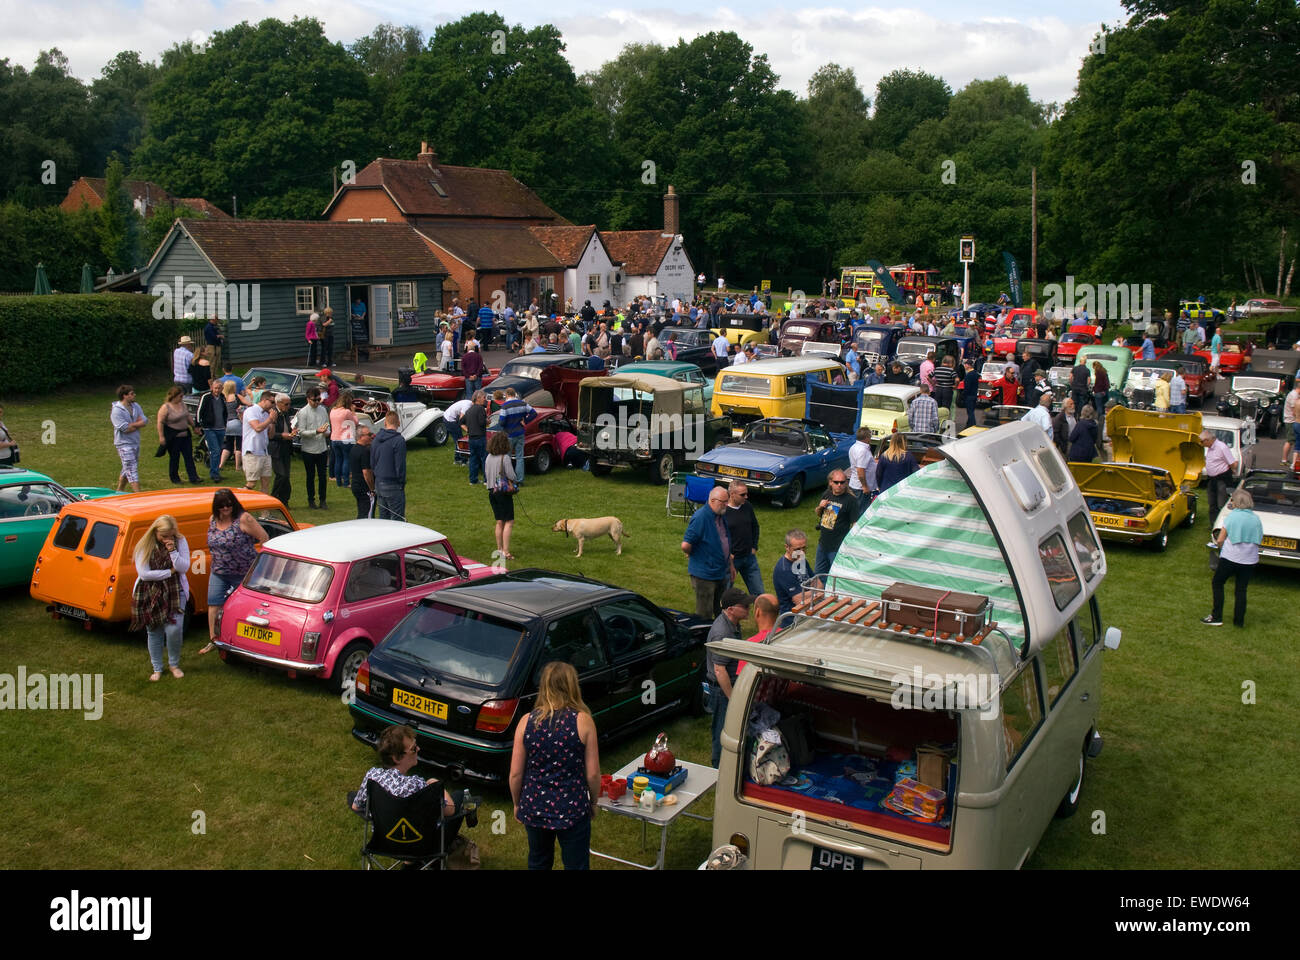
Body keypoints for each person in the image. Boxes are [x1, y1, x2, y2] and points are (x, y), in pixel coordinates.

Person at [509, 662, 600, 870]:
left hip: (534, 805)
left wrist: (517, 803)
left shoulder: (526, 722)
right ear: (572, 686)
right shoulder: (583, 721)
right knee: (576, 865)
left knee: (538, 862)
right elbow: (593, 774)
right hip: (573, 808)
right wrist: (593, 802)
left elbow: (515, 774)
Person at [351, 725, 461, 846]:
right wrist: (437, 785)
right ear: (396, 758)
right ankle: (416, 861)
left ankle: (409, 862)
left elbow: (356, 807)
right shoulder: (417, 785)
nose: (418, 749)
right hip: (418, 845)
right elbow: (450, 810)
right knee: (459, 797)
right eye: (413, 749)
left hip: (383, 843)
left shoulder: (372, 777)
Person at [199, 488, 269, 654]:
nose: (226, 508)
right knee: (214, 604)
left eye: (229, 505)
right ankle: (214, 639)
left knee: (244, 608)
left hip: (243, 572)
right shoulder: (212, 520)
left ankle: (246, 641)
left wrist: (260, 564)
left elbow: (264, 538)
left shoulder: (244, 519)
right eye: (222, 506)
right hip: (219, 571)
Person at [128, 514, 191, 682]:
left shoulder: (180, 541)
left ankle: (174, 664)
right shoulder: (145, 544)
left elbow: (184, 567)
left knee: (174, 628)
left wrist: (173, 552)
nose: (167, 539)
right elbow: (144, 574)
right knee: (154, 630)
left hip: (176, 590)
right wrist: (169, 572)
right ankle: (157, 668)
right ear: (155, 532)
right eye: (163, 536)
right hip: (150, 591)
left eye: (170, 535)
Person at [706, 588, 753, 767]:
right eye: (745, 606)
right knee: (722, 729)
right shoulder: (723, 633)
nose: (749, 608)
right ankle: (718, 767)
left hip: (724, 686)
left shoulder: (733, 623)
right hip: (721, 690)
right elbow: (720, 670)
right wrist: (733, 698)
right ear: (731, 609)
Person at [1204, 489, 1263, 627]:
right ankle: (1239, 622)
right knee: (1241, 589)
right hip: (1249, 560)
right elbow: (1259, 538)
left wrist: (1221, 547)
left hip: (1231, 558)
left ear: (1236, 502)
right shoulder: (1256, 518)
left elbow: (1220, 539)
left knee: (1218, 583)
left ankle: (1216, 617)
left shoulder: (1231, 517)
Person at [682, 486, 732, 620]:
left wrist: (731, 565)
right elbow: (686, 544)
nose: (727, 504)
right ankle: (702, 638)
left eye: (727, 501)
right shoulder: (701, 517)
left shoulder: (720, 515)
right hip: (705, 574)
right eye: (724, 502)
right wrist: (695, 555)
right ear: (713, 500)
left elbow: (724, 540)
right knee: (704, 613)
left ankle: (719, 634)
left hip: (720, 571)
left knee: (720, 608)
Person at [813, 470, 858, 577]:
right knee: (818, 575)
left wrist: (850, 545)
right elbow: (820, 514)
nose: (839, 485)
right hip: (823, 544)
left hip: (837, 548)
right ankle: (821, 594)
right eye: (836, 482)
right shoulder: (826, 494)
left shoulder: (851, 500)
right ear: (830, 482)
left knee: (835, 577)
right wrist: (820, 507)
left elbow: (855, 524)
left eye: (842, 482)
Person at [157, 385, 201, 484]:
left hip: (185, 435)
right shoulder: (166, 407)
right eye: (180, 396)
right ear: (174, 396)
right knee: (174, 458)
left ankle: (193, 477)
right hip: (173, 437)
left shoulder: (182, 404)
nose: (182, 398)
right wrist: (161, 436)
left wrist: (194, 427)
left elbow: (188, 416)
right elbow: (160, 422)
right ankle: (175, 478)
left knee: (188, 457)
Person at [725, 480, 763, 594]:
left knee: (759, 593)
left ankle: (761, 611)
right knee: (725, 594)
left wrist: (754, 547)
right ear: (732, 494)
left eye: (747, 494)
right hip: (732, 560)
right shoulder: (723, 511)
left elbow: (755, 526)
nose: (746, 497)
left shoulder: (747, 506)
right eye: (742, 495)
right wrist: (728, 554)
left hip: (749, 558)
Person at [111, 385, 149, 492]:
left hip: (135, 442)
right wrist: (138, 424)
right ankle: (138, 495)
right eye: (132, 394)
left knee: (127, 468)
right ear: (125, 396)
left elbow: (145, 420)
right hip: (123, 444)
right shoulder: (116, 411)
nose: (134, 395)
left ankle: (119, 491)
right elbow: (124, 428)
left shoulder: (136, 406)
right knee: (132, 469)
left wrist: (133, 425)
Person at [297, 386, 330, 509]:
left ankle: (323, 500)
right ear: (308, 399)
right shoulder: (303, 412)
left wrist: (326, 432)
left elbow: (328, 428)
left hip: (322, 448)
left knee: (322, 476)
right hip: (308, 450)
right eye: (314, 400)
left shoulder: (323, 410)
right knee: (310, 476)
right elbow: (301, 432)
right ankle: (311, 500)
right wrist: (316, 431)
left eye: (318, 399)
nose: (316, 402)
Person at [371, 411, 407, 522]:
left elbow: (372, 462)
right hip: (393, 483)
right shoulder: (399, 440)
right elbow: (400, 465)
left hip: (379, 482)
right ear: (399, 423)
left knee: (383, 518)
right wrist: (401, 482)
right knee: (397, 519)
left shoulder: (376, 439)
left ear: (385, 423)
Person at [497, 388, 536, 485]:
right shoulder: (522, 403)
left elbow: (501, 422)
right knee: (519, 457)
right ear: (514, 394)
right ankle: (520, 480)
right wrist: (525, 421)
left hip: (509, 434)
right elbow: (534, 413)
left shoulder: (505, 406)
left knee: (507, 457)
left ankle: (508, 479)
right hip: (520, 433)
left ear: (506, 395)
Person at [267, 394, 298, 506]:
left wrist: (293, 431)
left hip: (286, 447)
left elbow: (290, 425)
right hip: (276, 448)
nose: (289, 406)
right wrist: (282, 435)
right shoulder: (272, 414)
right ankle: (274, 498)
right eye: (286, 404)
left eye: (289, 404)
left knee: (286, 476)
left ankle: (284, 500)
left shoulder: (286, 413)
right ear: (278, 403)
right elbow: (269, 434)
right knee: (281, 474)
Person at [241, 392, 276, 492]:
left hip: (264, 452)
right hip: (252, 451)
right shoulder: (251, 411)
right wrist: (270, 419)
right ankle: (240, 500)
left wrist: (273, 422)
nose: (273, 405)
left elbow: (271, 435)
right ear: (264, 400)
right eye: (272, 402)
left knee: (266, 483)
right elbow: (257, 428)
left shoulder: (266, 414)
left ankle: (264, 507)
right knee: (251, 483)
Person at [1200, 429, 1237, 519]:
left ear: (1208, 440)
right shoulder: (1210, 448)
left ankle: (1223, 524)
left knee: (1222, 503)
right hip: (1212, 479)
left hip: (1222, 480)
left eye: (1202, 441)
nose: (1201, 443)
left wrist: (1231, 471)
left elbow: (1233, 463)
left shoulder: (1222, 447)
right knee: (1212, 503)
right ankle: (1213, 524)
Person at [771, 529, 809, 616]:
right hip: (792, 619)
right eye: (797, 549)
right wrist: (817, 592)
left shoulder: (801, 559)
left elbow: (819, 584)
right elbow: (799, 600)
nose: (801, 552)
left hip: (807, 611)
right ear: (787, 547)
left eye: (804, 548)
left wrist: (810, 593)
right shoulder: (784, 570)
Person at [327, 389, 357, 489]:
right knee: (346, 460)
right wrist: (353, 412)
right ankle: (346, 482)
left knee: (338, 460)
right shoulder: (347, 412)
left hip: (334, 438)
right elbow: (355, 422)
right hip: (346, 439)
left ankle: (338, 481)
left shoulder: (333, 410)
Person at [348, 426, 377, 518]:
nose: (371, 436)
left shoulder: (354, 449)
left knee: (362, 511)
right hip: (364, 488)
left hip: (356, 486)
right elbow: (366, 473)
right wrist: (372, 489)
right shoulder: (364, 452)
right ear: (361, 436)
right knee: (368, 514)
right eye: (369, 434)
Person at [847, 426, 876, 510]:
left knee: (856, 509)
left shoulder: (854, 447)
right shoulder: (863, 450)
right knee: (861, 511)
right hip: (860, 488)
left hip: (855, 484)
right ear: (867, 437)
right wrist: (865, 486)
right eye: (870, 436)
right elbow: (860, 470)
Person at [465, 390, 489, 485]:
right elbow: (482, 423)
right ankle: (486, 480)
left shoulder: (468, 410)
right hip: (480, 437)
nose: (485, 399)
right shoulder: (481, 409)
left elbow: (461, 421)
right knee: (484, 459)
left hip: (471, 438)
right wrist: (487, 421)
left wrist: (467, 429)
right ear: (478, 398)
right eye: (484, 397)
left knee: (473, 459)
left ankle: (473, 480)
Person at [442, 397, 472, 465]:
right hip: (449, 420)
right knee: (460, 440)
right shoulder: (467, 406)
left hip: (450, 417)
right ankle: (461, 460)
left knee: (459, 439)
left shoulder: (469, 403)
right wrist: (468, 430)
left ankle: (458, 459)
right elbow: (461, 421)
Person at [1283, 382, 1300, 468]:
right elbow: (1294, 412)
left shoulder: (1293, 394)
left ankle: (1286, 460)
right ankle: (1284, 459)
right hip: (1291, 420)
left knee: (1294, 441)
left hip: (1291, 420)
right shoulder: (1294, 396)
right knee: (1290, 441)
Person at [959, 359, 979, 428]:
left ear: (969, 365)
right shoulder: (976, 373)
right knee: (971, 411)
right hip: (974, 395)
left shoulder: (969, 375)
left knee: (970, 412)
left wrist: (963, 394)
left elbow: (967, 387)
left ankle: (973, 425)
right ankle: (968, 425)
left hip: (969, 396)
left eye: (965, 364)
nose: (964, 365)